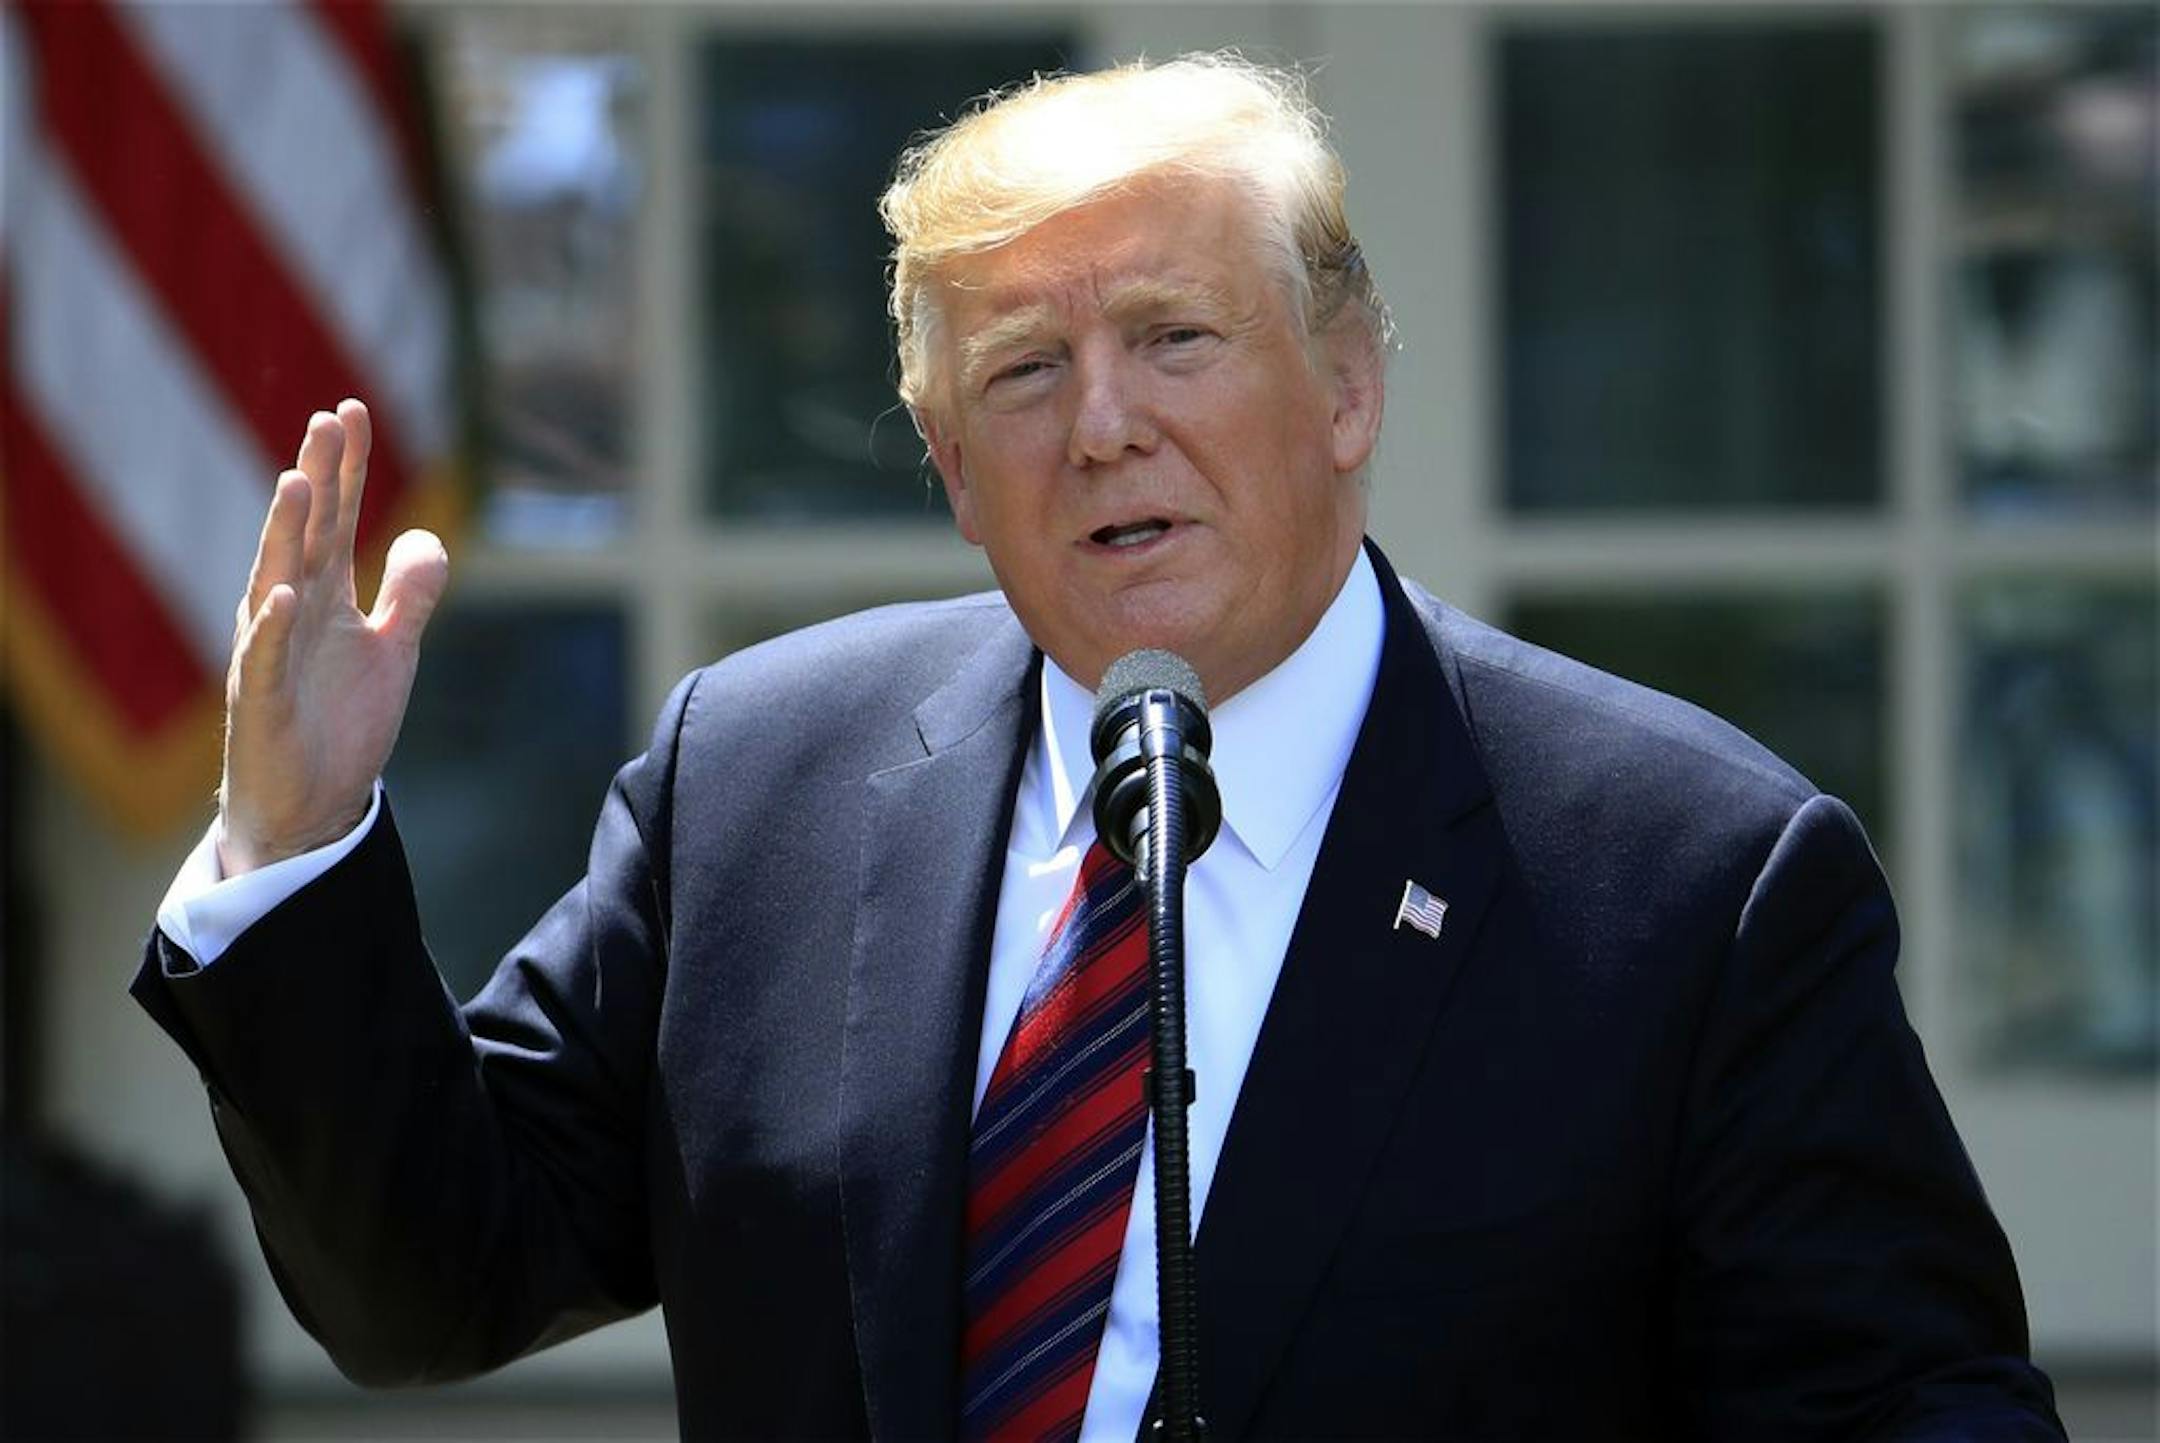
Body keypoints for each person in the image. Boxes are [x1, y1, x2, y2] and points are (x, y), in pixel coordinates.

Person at [136, 54, 2064, 1441]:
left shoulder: (1693, 877)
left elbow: (1918, 1405)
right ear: (954, 473)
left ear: (1350, 385)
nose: (1106, 427)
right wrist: (292, 844)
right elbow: (426, 1282)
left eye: (1177, 337)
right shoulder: (762, 779)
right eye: (1025, 374)